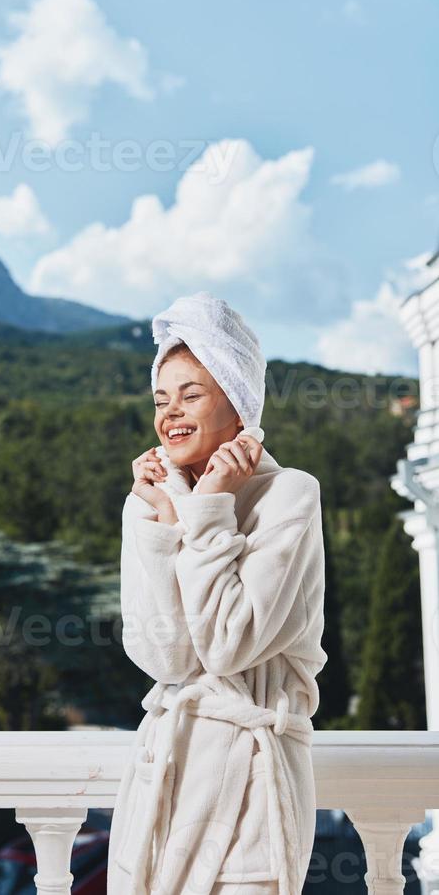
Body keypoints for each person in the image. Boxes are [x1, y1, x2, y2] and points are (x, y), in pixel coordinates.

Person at [106, 292, 328, 895]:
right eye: (161, 398)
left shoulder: (290, 497)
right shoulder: (148, 504)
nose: (169, 414)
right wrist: (166, 527)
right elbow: (167, 658)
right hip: (163, 780)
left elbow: (230, 644)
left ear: (237, 403)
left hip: (253, 793)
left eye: (191, 394)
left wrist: (206, 515)